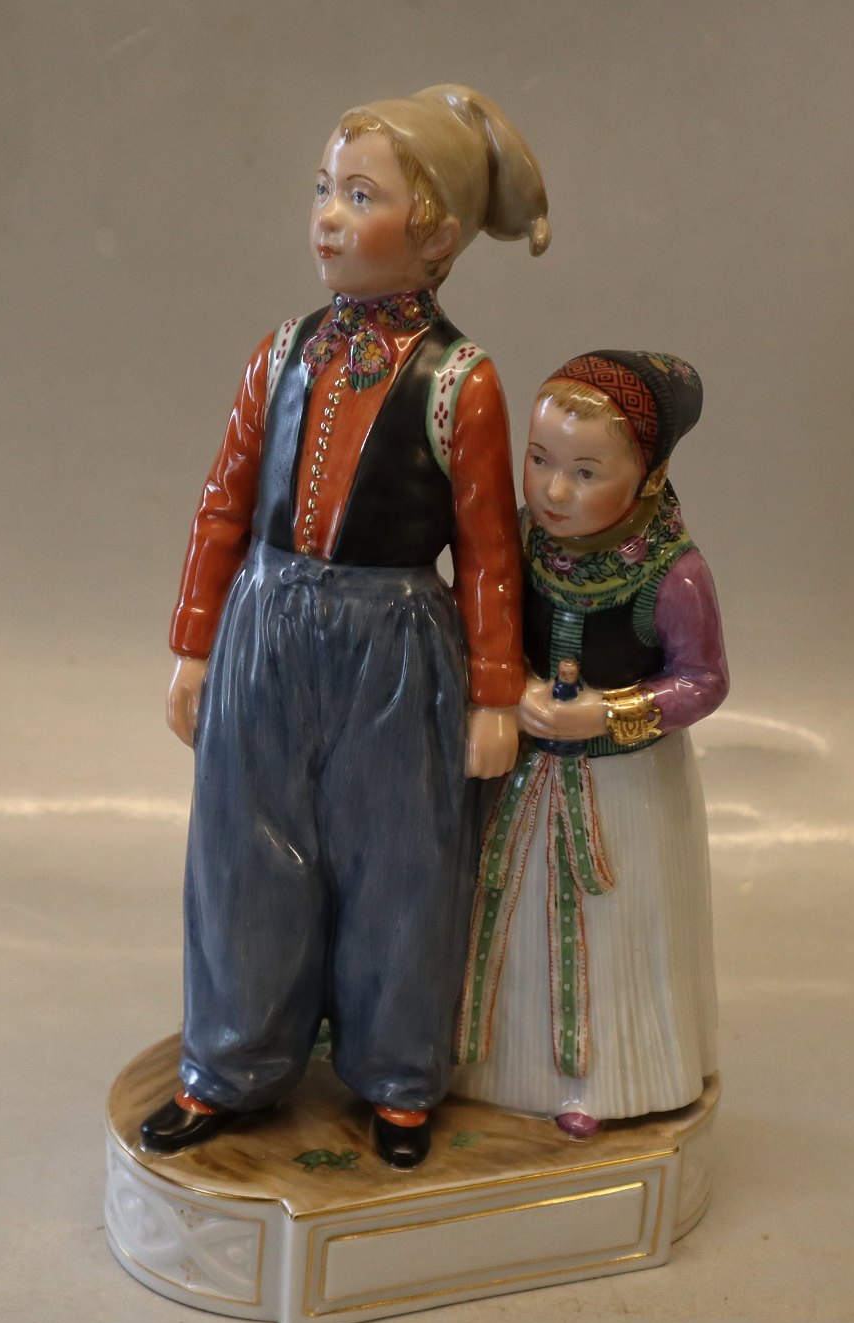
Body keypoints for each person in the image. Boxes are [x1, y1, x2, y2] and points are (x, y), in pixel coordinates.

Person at [139, 86, 550, 1168]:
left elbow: (488, 551)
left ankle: (399, 1075)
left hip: (394, 643)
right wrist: (194, 645)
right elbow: (224, 505)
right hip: (266, 625)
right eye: (323, 188)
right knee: (243, 851)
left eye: (359, 196)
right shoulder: (279, 354)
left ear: (438, 235)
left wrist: (492, 694)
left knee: (400, 861)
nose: (326, 214)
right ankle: (231, 1061)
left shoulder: (462, 383)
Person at [452, 351, 728, 1137]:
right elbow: (475, 619)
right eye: (539, 461)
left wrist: (611, 713)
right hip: (519, 772)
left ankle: (605, 1080)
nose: (552, 491)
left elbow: (704, 681)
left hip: (624, 794)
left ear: (648, 476)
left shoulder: (674, 576)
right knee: (502, 914)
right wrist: (510, 687)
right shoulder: (520, 541)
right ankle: (485, 1065)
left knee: (611, 934)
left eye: (584, 473)